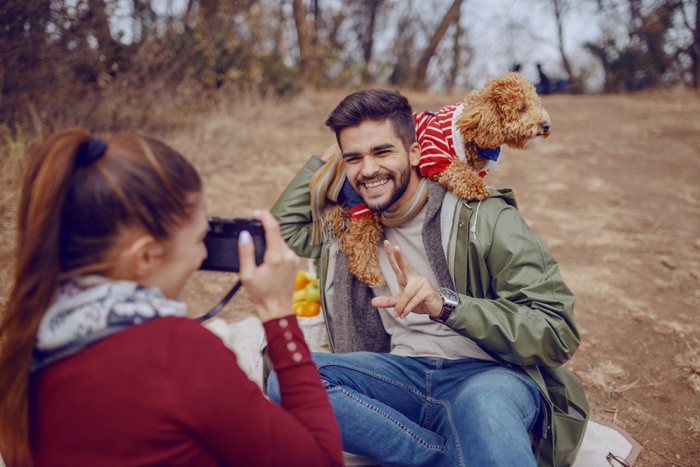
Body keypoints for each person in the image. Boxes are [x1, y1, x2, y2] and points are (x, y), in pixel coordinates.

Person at [267, 89, 589, 466]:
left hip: (489, 375)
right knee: (289, 379)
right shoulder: (352, 231)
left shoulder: (483, 217)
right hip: (402, 376)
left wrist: (447, 305)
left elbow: (556, 331)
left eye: (382, 151)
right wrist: (325, 158)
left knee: (484, 408)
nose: (367, 170)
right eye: (353, 158)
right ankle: (440, 458)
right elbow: (281, 228)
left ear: (416, 152)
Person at [0, 129, 343, 466]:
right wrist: (278, 311)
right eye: (199, 240)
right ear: (145, 257)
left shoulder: (22, 343)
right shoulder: (178, 353)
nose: (201, 257)